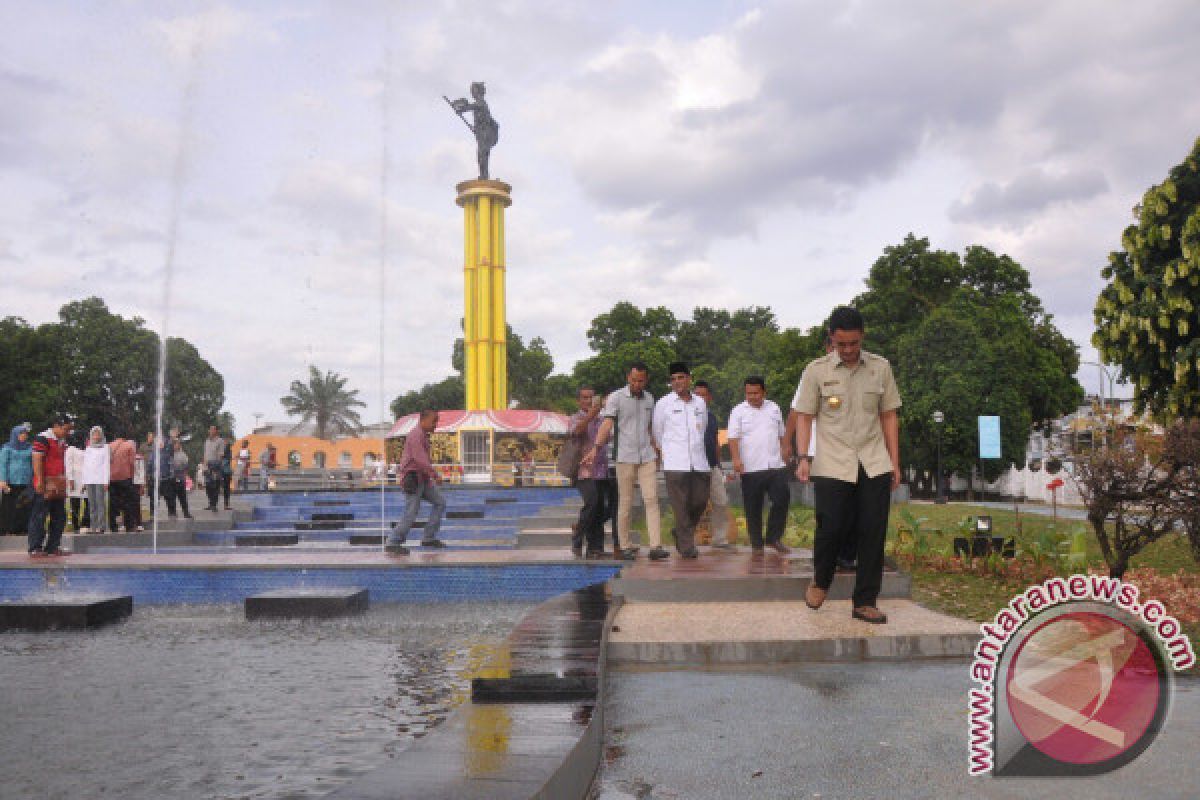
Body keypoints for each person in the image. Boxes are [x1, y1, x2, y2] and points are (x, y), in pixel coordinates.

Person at [794, 306, 902, 625]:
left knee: (872, 531)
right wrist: (803, 457)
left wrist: (894, 462)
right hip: (832, 462)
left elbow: (888, 415)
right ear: (831, 339)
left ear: (862, 337)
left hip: (873, 460)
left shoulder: (880, 368)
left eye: (854, 343)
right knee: (831, 527)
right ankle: (821, 581)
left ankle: (865, 601)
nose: (848, 350)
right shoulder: (816, 371)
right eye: (842, 344)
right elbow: (804, 416)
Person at [785, 336, 858, 571]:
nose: (839, 351)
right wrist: (791, 445)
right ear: (829, 348)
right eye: (835, 347)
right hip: (820, 452)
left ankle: (847, 555)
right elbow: (798, 413)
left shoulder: (859, 373)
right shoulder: (814, 373)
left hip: (852, 451)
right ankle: (825, 558)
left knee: (851, 507)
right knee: (828, 510)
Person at [591, 361, 666, 561]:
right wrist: (596, 447)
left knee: (651, 499)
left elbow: (650, 428)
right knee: (625, 502)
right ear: (628, 378)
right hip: (624, 457)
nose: (637, 384)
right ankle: (623, 545)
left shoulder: (650, 399)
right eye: (634, 380)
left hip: (647, 456)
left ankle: (656, 546)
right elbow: (607, 423)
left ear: (646, 380)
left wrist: (657, 449)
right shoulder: (616, 398)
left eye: (641, 381)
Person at [651, 362, 711, 559]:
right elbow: (658, 432)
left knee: (700, 501)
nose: (677, 382)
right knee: (681, 505)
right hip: (675, 463)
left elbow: (702, 429)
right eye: (673, 379)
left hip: (699, 461)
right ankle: (687, 547)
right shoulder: (663, 404)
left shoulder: (699, 403)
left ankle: (681, 532)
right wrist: (667, 451)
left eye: (681, 378)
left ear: (689, 378)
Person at [728, 376, 791, 556]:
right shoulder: (738, 411)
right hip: (751, 467)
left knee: (782, 499)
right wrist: (736, 459)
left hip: (775, 464)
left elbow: (781, 434)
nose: (752, 396)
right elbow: (733, 438)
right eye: (749, 393)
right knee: (753, 507)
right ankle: (757, 544)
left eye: (756, 393)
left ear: (764, 392)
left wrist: (786, 451)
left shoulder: (774, 408)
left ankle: (773, 538)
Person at [385, 409, 447, 554]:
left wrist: (429, 479)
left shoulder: (423, 435)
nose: (435, 425)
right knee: (411, 512)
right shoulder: (416, 435)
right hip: (412, 479)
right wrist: (435, 475)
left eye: (436, 421)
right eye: (433, 421)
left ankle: (428, 537)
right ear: (423, 420)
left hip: (422, 479)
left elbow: (422, 461)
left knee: (440, 502)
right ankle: (393, 542)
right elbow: (420, 460)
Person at [693, 381, 734, 551]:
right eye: (697, 395)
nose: (701, 398)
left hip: (712, 466)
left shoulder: (711, 416)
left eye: (704, 395)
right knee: (695, 504)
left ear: (709, 397)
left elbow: (715, 442)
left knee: (721, 501)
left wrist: (719, 465)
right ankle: (687, 537)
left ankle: (719, 538)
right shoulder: (689, 415)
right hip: (695, 468)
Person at [569, 386, 607, 558]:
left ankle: (595, 547)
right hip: (583, 470)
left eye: (592, 397)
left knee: (601, 508)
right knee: (591, 502)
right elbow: (576, 432)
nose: (588, 401)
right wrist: (590, 416)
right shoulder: (575, 418)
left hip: (602, 468)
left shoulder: (603, 419)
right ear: (579, 400)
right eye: (584, 398)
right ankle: (577, 537)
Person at [28, 415, 72, 557]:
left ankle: (53, 546)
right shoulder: (43, 438)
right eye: (66, 429)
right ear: (56, 426)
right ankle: (35, 548)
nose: (68, 432)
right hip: (44, 482)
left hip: (57, 483)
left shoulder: (62, 441)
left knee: (59, 515)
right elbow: (37, 459)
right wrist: (39, 480)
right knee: (39, 516)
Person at [0, 423, 34, 535]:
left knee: (25, 505)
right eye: (22, 433)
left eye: (25, 434)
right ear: (15, 435)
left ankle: (23, 529)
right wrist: (2, 480)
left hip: (26, 481)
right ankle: (9, 529)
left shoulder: (30, 447)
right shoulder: (7, 448)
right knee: (10, 507)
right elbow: (3, 465)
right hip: (10, 482)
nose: (24, 436)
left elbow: (34, 463)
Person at [108, 432, 140, 532]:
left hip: (112, 478)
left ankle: (113, 525)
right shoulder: (129, 445)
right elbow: (132, 463)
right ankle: (129, 525)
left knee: (113, 503)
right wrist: (132, 476)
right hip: (125, 478)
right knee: (127, 502)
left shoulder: (109, 446)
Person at [81, 426, 110, 533]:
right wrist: (84, 481)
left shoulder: (105, 447)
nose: (96, 436)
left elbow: (106, 465)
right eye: (94, 434)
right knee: (91, 504)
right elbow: (85, 465)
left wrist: (106, 481)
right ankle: (93, 526)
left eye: (98, 434)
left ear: (101, 435)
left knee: (100, 503)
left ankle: (101, 526)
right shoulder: (88, 448)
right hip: (89, 479)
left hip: (100, 479)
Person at [65, 430, 89, 532]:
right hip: (75, 479)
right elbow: (68, 465)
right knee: (75, 503)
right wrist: (70, 479)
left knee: (89, 502)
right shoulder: (70, 449)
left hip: (86, 478)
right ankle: (76, 525)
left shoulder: (86, 449)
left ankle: (85, 523)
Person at [162, 438, 192, 519]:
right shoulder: (168, 454)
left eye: (178, 444)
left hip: (180, 477)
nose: (176, 445)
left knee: (182, 496)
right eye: (175, 444)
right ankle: (172, 513)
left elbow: (186, 465)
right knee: (171, 497)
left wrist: (183, 474)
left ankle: (186, 513)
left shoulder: (182, 454)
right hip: (170, 478)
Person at [202, 425, 225, 512]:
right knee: (208, 486)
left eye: (212, 429)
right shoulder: (207, 441)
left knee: (215, 486)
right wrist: (204, 466)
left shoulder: (220, 441)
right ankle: (210, 503)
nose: (210, 431)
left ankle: (214, 505)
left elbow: (221, 455)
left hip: (215, 465)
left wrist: (217, 466)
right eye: (210, 429)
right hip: (207, 465)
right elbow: (205, 454)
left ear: (216, 431)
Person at [220, 435, 234, 509]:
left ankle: (226, 504)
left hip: (226, 471)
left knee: (226, 488)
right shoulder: (220, 450)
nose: (225, 443)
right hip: (222, 471)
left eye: (226, 442)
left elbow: (227, 460)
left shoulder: (228, 451)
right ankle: (213, 504)